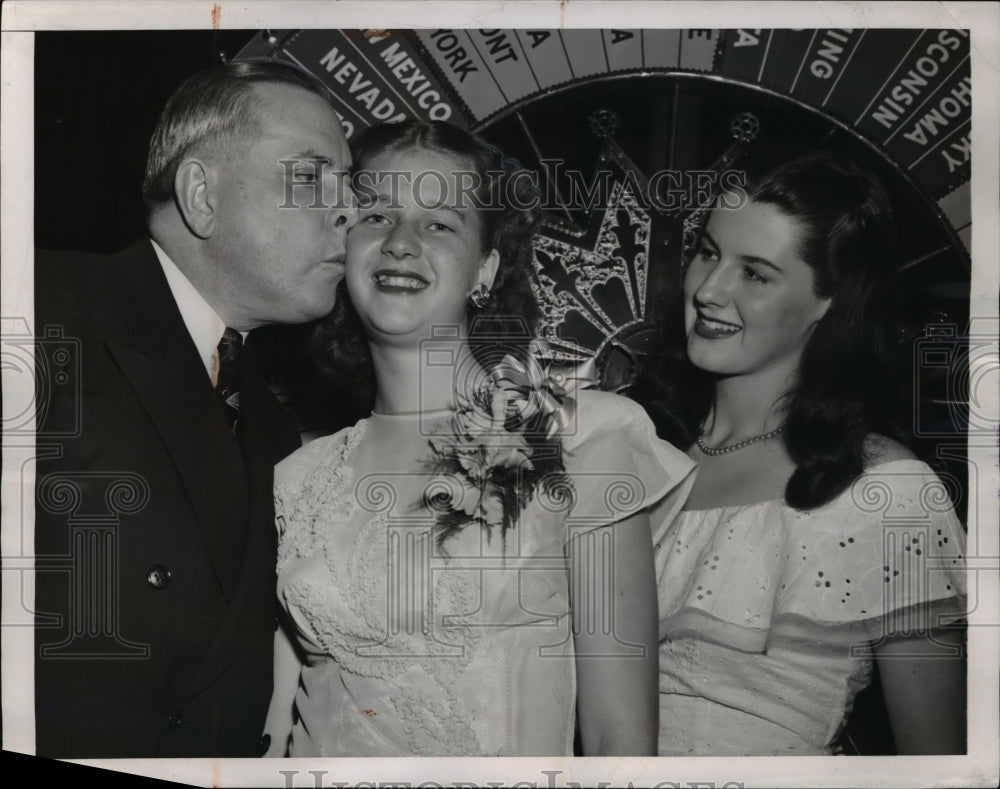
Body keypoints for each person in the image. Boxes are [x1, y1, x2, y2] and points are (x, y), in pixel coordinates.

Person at [262, 119, 696, 757]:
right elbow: (278, 727)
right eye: (376, 215)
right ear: (341, 244)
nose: (401, 244)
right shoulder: (297, 477)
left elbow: (619, 742)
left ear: (485, 268)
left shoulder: (583, 440)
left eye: (439, 225)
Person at [33, 59, 358, 757]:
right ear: (201, 195)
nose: (349, 210)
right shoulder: (39, 307)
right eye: (310, 176)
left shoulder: (269, 428)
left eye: (349, 183)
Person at [631, 150, 968, 756]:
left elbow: (938, 763)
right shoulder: (631, 445)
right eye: (708, 252)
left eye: (754, 273)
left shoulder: (889, 492)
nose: (709, 289)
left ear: (828, 301)